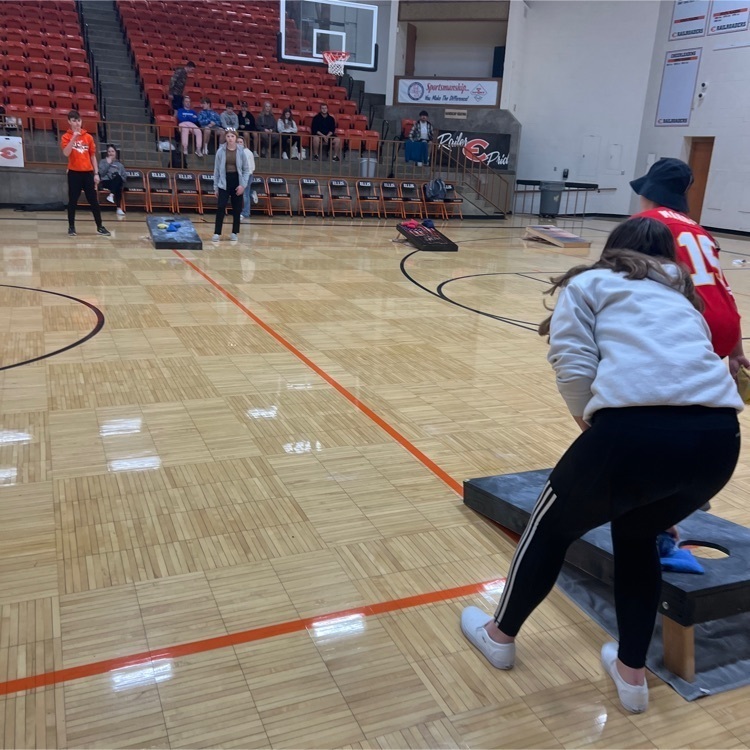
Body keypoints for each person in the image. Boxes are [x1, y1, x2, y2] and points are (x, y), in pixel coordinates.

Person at [461, 217, 742, 715]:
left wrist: (597, 434)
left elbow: (572, 363)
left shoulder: (589, 281)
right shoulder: (683, 297)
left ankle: (499, 635)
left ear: (614, 249)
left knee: (547, 532)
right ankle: (632, 675)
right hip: (719, 442)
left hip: (632, 436)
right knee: (638, 536)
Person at [631, 157, 749, 376]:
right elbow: (722, 290)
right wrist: (736, 351)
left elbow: (614, 283)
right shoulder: (700, 230)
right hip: (725, 329)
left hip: (691, 328)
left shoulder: (644, 223)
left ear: (647, 191)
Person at [61, 110, 110, 237]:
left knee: (93, 200)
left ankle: (100, 226)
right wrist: (74, 138)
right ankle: (71, 227)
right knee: (73, 201)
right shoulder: (66, 137)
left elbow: (92, 156)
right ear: (69, 122)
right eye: (74, 120)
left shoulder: (88, 137)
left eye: (78, 120)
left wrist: (96, 173)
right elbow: (66, 153)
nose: (77, 123)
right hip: (74, 173)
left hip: (88, 173)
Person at [212, 128, 250, 242]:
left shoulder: (242, 151)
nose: (230, 138)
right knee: (221, 207)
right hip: (224, 181)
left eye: (232, 136)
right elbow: (216, 170)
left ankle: (234, 232)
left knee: (237, 208)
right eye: (228, 136)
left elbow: (246, 170)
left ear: (236, 137)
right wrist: (215, 187)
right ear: (226, 138)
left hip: (237, 181)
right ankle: (217, 233)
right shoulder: (220, 151)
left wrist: (243, 185)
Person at [98, 144, 126, 216]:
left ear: (115, 153)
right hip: (106, 181)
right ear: (107, 153)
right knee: (117, 186)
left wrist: (117, 177)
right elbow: (101, 173)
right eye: (109, 151)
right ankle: (118, 208)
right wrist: (108, 163)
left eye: (112, 151)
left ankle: (111, 195)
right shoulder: (103, 162)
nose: (111, 153)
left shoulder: (119, 165)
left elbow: (124, 177)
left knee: (118, 180)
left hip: (116, 182)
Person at [237, 135, 256, 222]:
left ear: (244, 143)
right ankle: (252, 193)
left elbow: (251, 166)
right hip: (239, 175)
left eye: (241, 142)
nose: (239, 144)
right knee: (244, 193)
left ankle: (245, 213)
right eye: (238, 142)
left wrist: (248, 175)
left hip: (247, 175)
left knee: (245, 194)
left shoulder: (247, 152)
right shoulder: (236, 152)